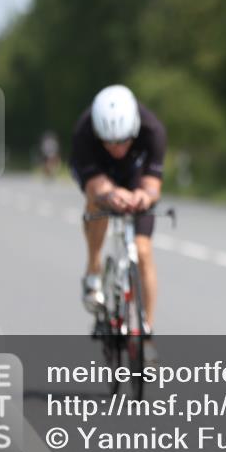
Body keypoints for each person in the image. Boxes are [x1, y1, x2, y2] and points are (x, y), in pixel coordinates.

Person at [69, 85, 166, 360]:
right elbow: (95, 186)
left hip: (136, 175)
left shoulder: (153, 131)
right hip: (98, 175)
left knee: (144, 251)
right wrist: (111, 194)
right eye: (109, 143)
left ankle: (146, 335)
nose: (117, 148)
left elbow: (153, 185)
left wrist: (143, 197)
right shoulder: (84, 133)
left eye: (123, 141)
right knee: (97, 204)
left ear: (134, 130)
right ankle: (93, 268)